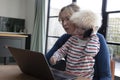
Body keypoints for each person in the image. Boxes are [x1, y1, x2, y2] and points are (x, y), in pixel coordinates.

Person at [45, 3, 112, 80]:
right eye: (62, 20)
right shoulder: (66, 38)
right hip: (71, 77)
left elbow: (106, 76)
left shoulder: (97, 38)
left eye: (68, 19)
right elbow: (47, 59)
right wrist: (54, 58)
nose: (64, 23)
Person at [50, 10, 100, 80]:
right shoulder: (73, 39)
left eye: (83, 28)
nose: (78, 31)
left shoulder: (94, 40)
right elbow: (62, 50)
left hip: (84, 77)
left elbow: (89, 52)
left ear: (91, 30)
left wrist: (93, 35)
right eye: (77, 27)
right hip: (69, 75)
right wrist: (55, 57)